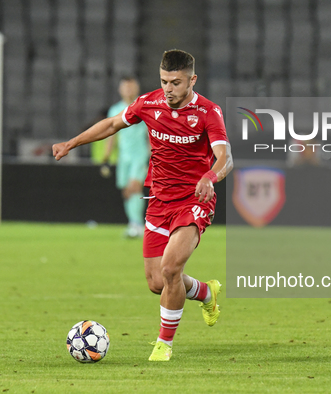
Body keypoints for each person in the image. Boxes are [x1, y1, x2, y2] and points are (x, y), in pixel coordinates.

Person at [52, 49, 233, 361]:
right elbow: (111, 125)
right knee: (158, 282)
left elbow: (225, 157)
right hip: (159, 201)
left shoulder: (208, 112)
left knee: (171, 267)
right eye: (164, 81)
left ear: (192, 80)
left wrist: (210, 177)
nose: (169, 89)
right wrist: (71, 143)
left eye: (176, 83)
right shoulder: (148, 103)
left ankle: (164, 344)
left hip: (194, 201)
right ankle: (205, 292)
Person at [102, 76, 150, 238]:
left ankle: (137, 224)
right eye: (125, 87)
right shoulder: (115, 110)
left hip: (139, 155)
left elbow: (150, 134)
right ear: (120, 89)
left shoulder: (143, 108)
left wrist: (153, 155)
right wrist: (106, 157)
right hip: (124, 157)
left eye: (131, 87)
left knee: (134, 187)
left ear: (136, 88)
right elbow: (111, 135)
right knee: (127, 191)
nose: (128, 90)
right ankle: (133, 223)